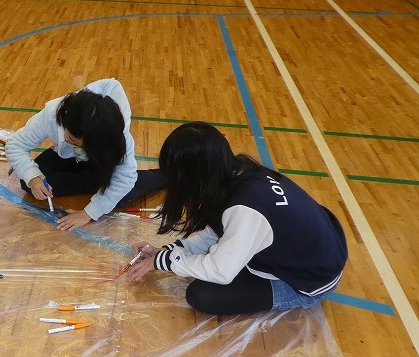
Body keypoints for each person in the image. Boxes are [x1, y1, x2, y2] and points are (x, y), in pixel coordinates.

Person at [125, 121, 348, 315]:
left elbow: (220, 271)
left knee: (202, 295)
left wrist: (162, 261)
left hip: (307, 280)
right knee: (199, 269)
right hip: (316, 251)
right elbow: (217, 232)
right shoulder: (238, 173)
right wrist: (168, 251)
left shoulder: (246, 208)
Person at [4, 78, 165, 231]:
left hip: (102, 159)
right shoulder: (53, 114)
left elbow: (124, 179)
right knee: (29, 184)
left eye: (81, 144)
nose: (71, 141)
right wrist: (34, 178)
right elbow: (16, 144)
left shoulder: (117, 136)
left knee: (123, 188)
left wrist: (89, 213)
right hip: (68, 155)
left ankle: (164, 176)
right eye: (71, 139)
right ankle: (98, 182)